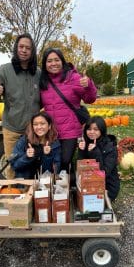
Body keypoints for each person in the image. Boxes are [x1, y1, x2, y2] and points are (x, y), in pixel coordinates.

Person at [0, 33, 41, 178]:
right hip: (12, 129)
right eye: (21, 46)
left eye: (28, 48)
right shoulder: (5, 70)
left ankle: (30, 197)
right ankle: (13, 196)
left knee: (33, 164)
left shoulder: (38, 73)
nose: (24, 50)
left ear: (32, 52)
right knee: (12, 166)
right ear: (16, 49)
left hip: (33, 131)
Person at [39, 47, 97, 175]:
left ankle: (66, 189)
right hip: (51, 130)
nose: (53, 63)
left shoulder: (73, 77)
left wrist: (88, 86)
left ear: (62, 61)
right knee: (53, 161)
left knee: (65, 161)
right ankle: (56, 189)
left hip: (70, 130)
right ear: (45, 64)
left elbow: (90, 99)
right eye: (49, 61)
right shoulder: (43, 82)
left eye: (56, 60)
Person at [77, 116, 120, 201]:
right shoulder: (86, 142)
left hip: (107, 186)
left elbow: (103, 172)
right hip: (89, 181)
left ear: (102, 130)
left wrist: (95, 152)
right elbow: (82, 168)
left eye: (96, 129)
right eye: (89, 129)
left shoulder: (110, 147)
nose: (91, 132)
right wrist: (81, 151)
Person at [10, 111, 61, 179]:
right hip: (25, 182)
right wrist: (27, 157)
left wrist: (47, 155)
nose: (39, 127)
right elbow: (14, 166)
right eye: (35, 124)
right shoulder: (24, 141)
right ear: (32, 127)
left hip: (45, 184)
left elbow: (55, 170)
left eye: (42, 124)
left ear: (49, 126)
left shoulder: (54, 144)